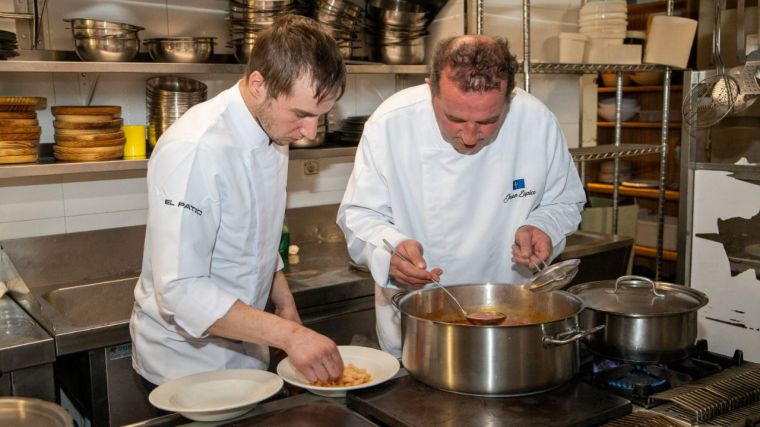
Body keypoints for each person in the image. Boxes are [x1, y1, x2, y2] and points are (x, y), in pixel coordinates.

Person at [130, 14, 347, 388]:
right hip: (186, 367)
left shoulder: (273, 130)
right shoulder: (196, 148)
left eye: (320, 116)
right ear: (259, 84)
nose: (310, 132)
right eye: (302, 114)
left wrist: (284, 303)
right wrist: (289, 335)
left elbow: (256, 232)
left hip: (247, 353)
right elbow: (180, 291)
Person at [337, 35, 586, 357]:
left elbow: (563, 201)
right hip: (417, 330)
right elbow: (360, 214)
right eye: (454, 118)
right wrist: (389, 252)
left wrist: (544, 227)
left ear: (509, 97)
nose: (469, 137)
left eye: (488, 121)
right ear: (431, 89)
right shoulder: (390, 124)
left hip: (514, 325)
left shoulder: (537, 122)